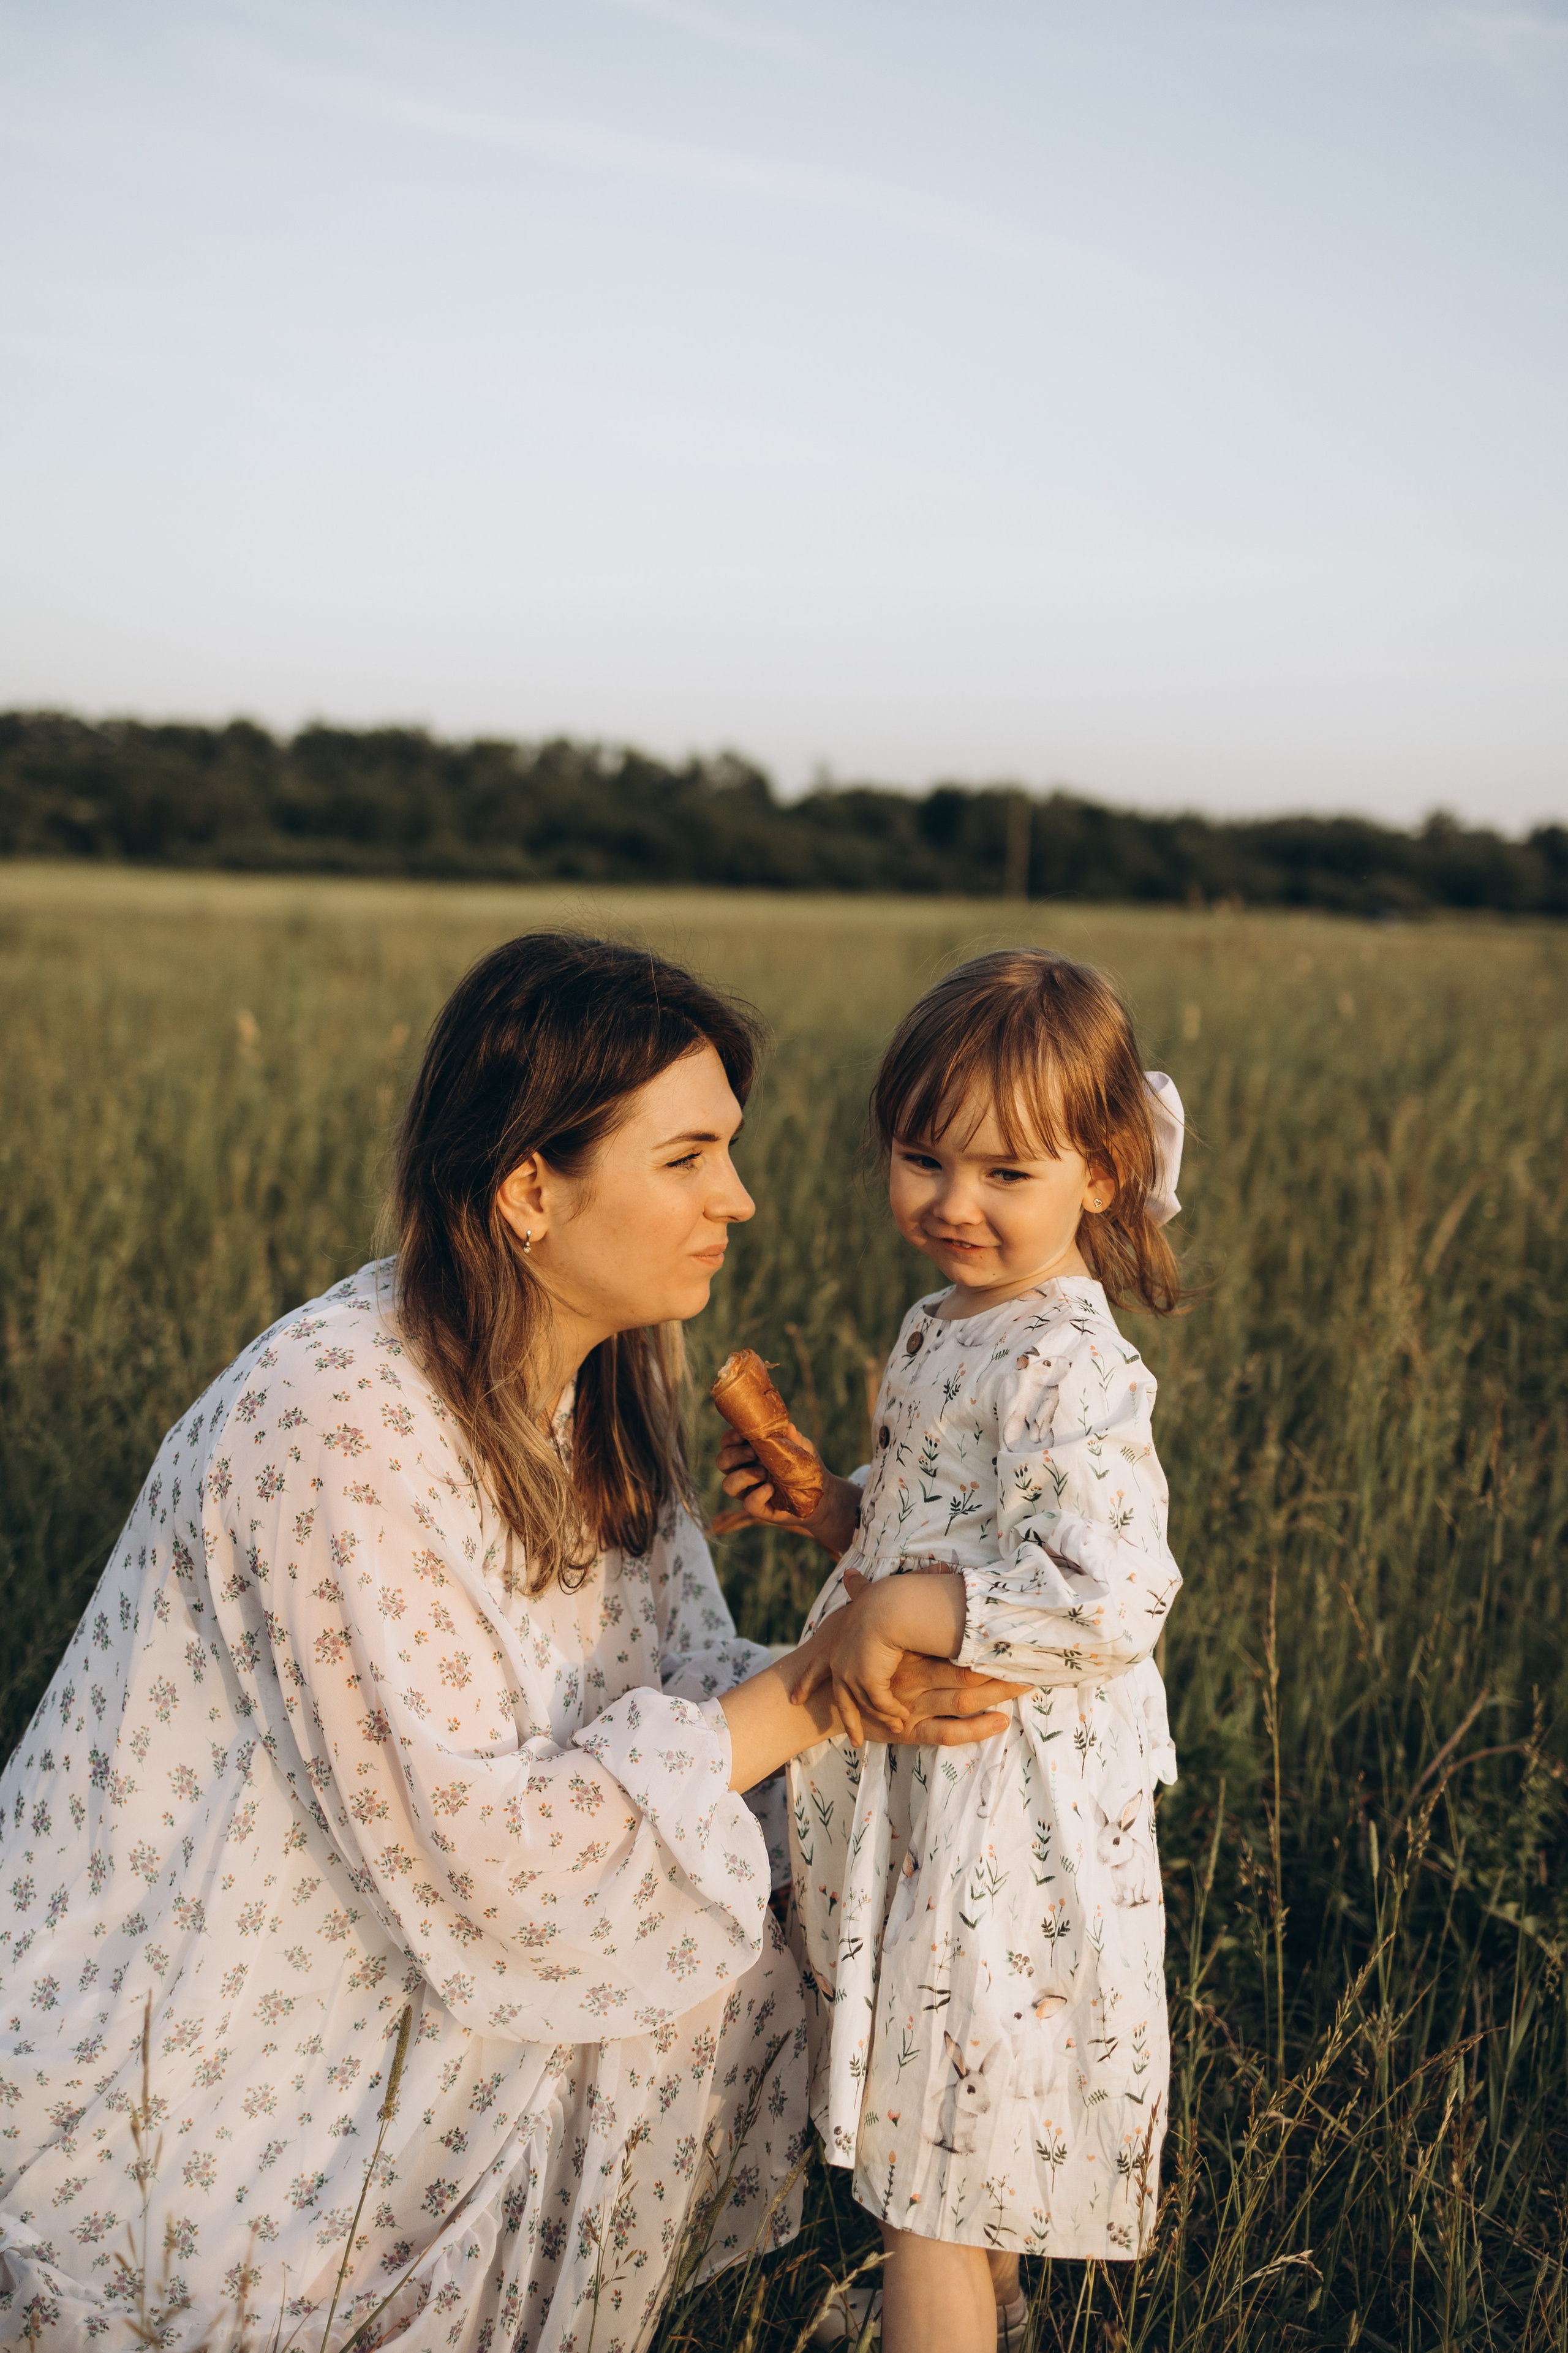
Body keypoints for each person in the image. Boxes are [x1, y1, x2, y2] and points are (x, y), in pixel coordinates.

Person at [0, 933, 1020, 2352]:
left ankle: (961, 2283)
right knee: (697, 1907)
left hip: (444, 1891)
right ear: (529, 1188)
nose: (738, 1196)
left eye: (728, 1149)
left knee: (899, 1824)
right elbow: (480, 1854)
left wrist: (866, 1671)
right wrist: (809, 1691)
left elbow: (672, 1680)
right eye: (686, 1158)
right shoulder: (334, 1415)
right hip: (233, 2007)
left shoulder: (607, 1369)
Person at [719, 949, 1187, 2353]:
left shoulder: (1068, 1361)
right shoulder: (941, 1327)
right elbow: (940, 1533)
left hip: (1008, 1790)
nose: (951, 1202)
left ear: (1098, 1176)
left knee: (932, 2158)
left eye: (1004, 1174)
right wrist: (830, 1512)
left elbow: (1108, 1590)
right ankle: (995, 2312)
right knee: (945, 2079)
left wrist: (888, 1616)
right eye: (922, 1159)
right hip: (926, 1778)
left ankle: (948, 2300)